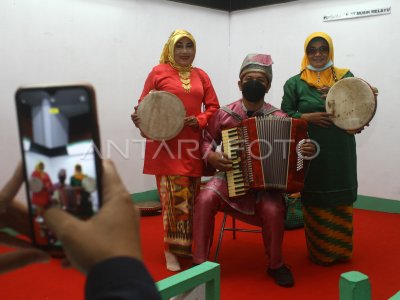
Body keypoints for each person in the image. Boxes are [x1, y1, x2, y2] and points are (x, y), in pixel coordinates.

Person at [192, 53, 315, 287]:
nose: (254, 83)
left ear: (268, 85)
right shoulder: (225, 114)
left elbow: (297, 152)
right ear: (240, 83)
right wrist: (212, 156)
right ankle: (199, 264)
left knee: (273, 208)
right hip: (229, 178)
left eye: (260, 80)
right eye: (248, 79)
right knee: (206, 197)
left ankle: (276, 264)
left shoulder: (280, 117)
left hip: (266, 188)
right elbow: (206, 139)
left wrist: (304, 150)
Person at [0, 160, 161, 299]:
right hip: (77, 202)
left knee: (54, 222)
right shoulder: (70, 180)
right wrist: (118, 267)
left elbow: (47, 187)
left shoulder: (49, 180)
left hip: (47, 201)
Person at [131, 29, 220, 271]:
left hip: (191, 145)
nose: (184, 51)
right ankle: (171, 250)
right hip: (165, 146)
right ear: (170, 48)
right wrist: (140, 118)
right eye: (179, 46)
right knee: (172, 199)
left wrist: (200, 120)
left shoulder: (201, 75)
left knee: (189, 200)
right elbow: (143, 104)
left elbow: (213, 107)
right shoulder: (158, 72)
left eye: (188, 46)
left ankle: (184, 248)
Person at [280, 32, 369, 266]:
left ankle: (341, 250)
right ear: (306, 53)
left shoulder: (345, 78)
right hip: (311, 150)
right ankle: (321, 251)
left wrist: (358, 123)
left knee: (340, 195)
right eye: (312, 50)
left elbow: (359, 106)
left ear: (329, 50)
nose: (318, 54)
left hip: (340, 149)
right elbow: (284, 114)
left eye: (322, 49)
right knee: (315, 195)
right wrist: (305, 116)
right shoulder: (295, 83)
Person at [0, 162, 50, 274]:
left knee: (38, 223)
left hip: (42, 201)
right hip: (38, 200)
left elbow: (48, 185)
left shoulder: (45, 175)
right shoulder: (36, 174)